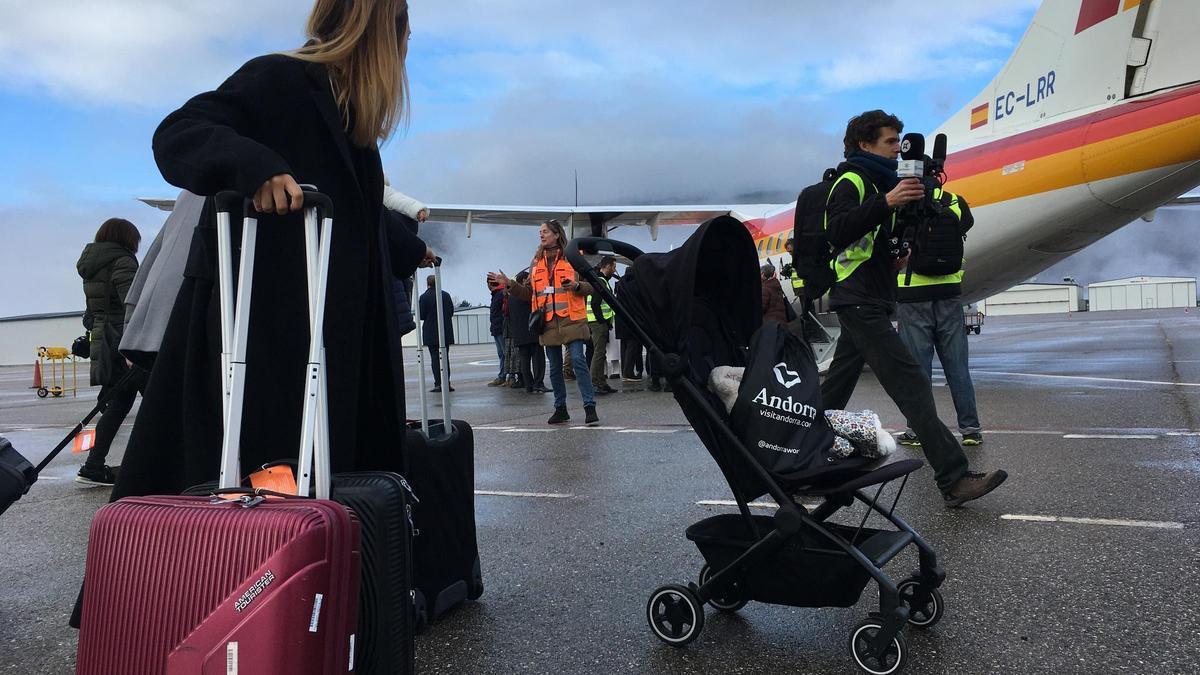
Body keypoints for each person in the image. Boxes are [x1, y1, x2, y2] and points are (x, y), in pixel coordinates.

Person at [109, 0, 435, 501]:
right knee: (263, 492)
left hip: (331, 343)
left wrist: (412, 250)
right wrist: (256, 167)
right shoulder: (281, 79)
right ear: (381, 34)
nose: (410, 46)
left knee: (330, 491)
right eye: (405, 33)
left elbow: (355, 215)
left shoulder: (354, 126)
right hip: (266, 342)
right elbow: (179, 133)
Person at [818, 109, 1006, 508]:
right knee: (912, 384)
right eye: (889, 141)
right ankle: (954, 479)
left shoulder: (882, 183)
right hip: (858, 300)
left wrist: (893, 257)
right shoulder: (851, 179)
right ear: (864, 144)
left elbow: (867, 243)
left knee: (835, 387)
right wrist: (886, 202)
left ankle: (795, 443)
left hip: (869, 298)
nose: (897, 150)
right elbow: (835, 232)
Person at [895, 188, 983, 447]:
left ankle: (918, 431)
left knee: (918, 371)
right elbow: (966, 224)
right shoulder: (954, 200)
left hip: (913, 296)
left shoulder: (903, 199)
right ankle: (971, 429)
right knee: (957, 367)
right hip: (949, 294)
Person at [490, 220, 599, 425]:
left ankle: (589, 406)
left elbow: (592, 287)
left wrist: (576, 286)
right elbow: (529, 294)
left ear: (557, 234)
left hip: (571, 319)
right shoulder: (536, 262)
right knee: (555, 368)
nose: (542, 235)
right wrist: (510, 285)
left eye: (545, 231)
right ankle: (560, 408)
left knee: (578, 360)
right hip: (547, 323)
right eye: (540, 232)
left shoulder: (574, 258)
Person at [74, 218, 148, 486]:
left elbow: (90, 315)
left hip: (105, 345)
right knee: (157, 400)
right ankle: (156, 464)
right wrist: (135, 345)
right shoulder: (123, 261)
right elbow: (134, 304)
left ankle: (93, 467)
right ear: (127, 238)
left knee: (118, 405)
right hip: (127, 344)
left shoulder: (91, 265)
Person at [508, 270, 548, 393]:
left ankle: (528, 385)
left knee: (524, 361)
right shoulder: (527, 294)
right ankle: (538, 383)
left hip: (519, 335)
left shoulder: (511, 298)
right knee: (538, 360)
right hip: (532, 332)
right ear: (523, 281)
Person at [586, 256, 618, 395]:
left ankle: (601, 382)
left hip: (598, 322)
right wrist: (602, 321)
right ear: (607, 266)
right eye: (613, 267)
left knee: (600, 353)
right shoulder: (600, 281)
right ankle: (594, 383)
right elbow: (595, 303)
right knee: (598, 354)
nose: (614, 270)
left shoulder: (600, 280)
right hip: (598, 323)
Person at [419, 274, 455, 393]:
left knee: (435, 359)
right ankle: (447, 383)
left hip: (431, 332)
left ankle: (438, 384)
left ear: (428, 284)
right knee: (445, 358)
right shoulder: (445, 295)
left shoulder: (424, 297)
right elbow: (451, 312)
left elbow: (422, 315)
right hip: (445, 332)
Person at [487, 277, 509, 386]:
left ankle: (506, 376)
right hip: (496, 329)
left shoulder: (500, 294)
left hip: (501, 329)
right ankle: (503, 375)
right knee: (502, 354)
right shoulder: (496, 294)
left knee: (505, 353)